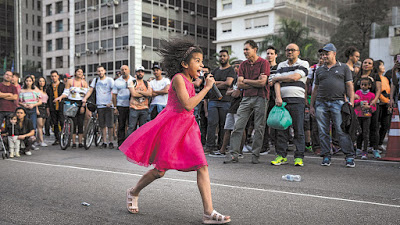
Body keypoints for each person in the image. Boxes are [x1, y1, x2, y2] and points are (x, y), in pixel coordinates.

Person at [120, 39, 230, 224]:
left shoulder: (190, 80)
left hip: (188, 127)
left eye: (202, 61)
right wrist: (208, 88)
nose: (201, 65)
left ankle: (208, 212)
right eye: (197, 61)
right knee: (160, 171)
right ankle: (133, 191)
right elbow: (187, 104)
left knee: (202, 166)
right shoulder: (178, 78)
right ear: (184, 64)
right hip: (172, 126)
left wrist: (203, 86)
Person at [224, 40, 270, 164]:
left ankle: (255, 156)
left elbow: (262, 83)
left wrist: (247, 81)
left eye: (247, 49)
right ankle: (234, 155)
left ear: (255, 49)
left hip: (261, 97)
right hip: (245, 98)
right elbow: (239, 84)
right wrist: (254, 82)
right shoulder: (243, 65)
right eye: (244, 49)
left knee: (259, 127)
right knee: (238, 126)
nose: (244, 52)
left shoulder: (264, 63)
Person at [310, 43, 356, 167]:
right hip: (321, 103)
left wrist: (351, 102)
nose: (324, 56)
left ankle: (349, 157)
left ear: (334, 53)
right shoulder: (319, 70)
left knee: (341, 130)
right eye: (322, 54)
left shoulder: (344, 68)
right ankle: (326, 156)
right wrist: (311, 106)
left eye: (327, 53)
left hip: (338, 102)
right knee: (323, 131)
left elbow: (349, 85)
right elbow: (315, 89)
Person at [269, 43, 309, 167]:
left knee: (298, 129)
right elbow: (276, 83)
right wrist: (278, 97)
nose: (289, 52)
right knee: (281, 129)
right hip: (282, 101)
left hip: (297, 101)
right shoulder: (281, 65)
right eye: (287, 50)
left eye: (292, 50)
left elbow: (295, 77)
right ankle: (281, 156)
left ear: (298, 52)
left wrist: (278, 78)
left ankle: (298, 157)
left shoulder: (303, 64)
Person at [210, 60, 245, 157]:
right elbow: (228, 92)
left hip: (241, 106)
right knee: (228, 128)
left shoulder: (245, 78)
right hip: (232, 105)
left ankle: (239, 152)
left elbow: (239, 92)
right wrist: (234, 91)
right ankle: (222, 150)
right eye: (235, 67)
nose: (236, 69)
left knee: (240, 129)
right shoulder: (235, 80)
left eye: (238, 66)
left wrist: (236, 91)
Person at [206, 50, 235, 154]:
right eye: (220, 56)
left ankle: (222, 146)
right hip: (213, 100)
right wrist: (217, 83)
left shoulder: (231, 70)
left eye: (224, 56)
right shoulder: (215, 71)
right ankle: (210, 146)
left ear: (228, 57)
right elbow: (209, 82)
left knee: (224, 125)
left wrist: (214, 84)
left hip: (225, 100)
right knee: (212, 123)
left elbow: (228, 83)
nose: (222, 58)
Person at [354, 58, 382, 157]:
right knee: (360, 129)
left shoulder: (375, 76)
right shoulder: (357, 76)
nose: (366, 64)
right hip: (359, 107)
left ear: (372, 66)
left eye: (369, 63)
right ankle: (358, 148)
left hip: (372, 105)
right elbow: (352, 88)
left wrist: (374, 102)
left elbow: (379, 90)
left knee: (374, 127)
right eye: (365, 62)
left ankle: (375, 148)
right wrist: (355, 96)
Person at [54, 68, 88, 148]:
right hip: (72, 103)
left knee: (80, 122)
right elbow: (66, 93)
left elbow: (86, 95)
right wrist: (60, 97)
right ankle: (73, 142)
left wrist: (83, 105)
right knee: (73, 122)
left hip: (81, 103)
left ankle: (80, 142)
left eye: (81, 72)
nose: (80, 73)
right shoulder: (70, 81)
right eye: (78, 71)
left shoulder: (84, 83)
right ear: (75, 73)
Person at [83, 65, 115, 149]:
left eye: (101, 70)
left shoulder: (109, 80)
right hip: (99, 105)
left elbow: (114, 92)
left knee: (110, 125)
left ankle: (110, 141)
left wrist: (111, 102)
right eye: (98, 71)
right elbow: (90, 90)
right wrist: (85, 98)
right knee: (102, 125)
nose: (100, 72)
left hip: (108, 105)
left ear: (104, 71)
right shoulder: (95, 80)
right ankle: (104, 142)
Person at [262, 46, 279, 154]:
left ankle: (278, 146)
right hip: (264, 98)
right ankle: (264, 146)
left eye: (271, 53)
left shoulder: (279, 67)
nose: (269, 55)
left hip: (275, 98)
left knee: (276, 123)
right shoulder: (263, 68)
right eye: (268, 53)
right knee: (262, 123)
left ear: (275, 55)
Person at [306, 54, 324, 155]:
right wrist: (306, 99)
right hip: (316, 98)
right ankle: (316, 146)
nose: (322, 59)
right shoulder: (313, 69)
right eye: (320, 57)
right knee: (315, 124)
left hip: (328, 98)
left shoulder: (332, 68)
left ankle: (329, 145)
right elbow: (307, 83)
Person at [112, 65, 135, 147]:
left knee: (131, 125)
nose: (124, 71)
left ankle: (130, 143)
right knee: (121, 125)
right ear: (120, 71)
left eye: (125, 69)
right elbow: (114, 95)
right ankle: (120, 143)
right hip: (121, 106)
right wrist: (115, 107)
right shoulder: (117, 81)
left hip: (131, 106)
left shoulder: (134, 80)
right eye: (122, 69)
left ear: (129, 70)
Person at [354, 77, 377, 159]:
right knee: (358, 133)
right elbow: (353, 102)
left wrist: (369, 107)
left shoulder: (372, 95)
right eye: (362, 84)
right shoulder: (357, 93)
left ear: (370, 86)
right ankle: (358, 149)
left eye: (365, 85)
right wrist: (359, 102)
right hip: (358, 116)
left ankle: (365, 151)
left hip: (367, 117)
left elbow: (374, 108)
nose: (363, 86)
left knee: (366, 133)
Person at [126, 66, 152, 135]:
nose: (140, 73)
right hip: (134, 108)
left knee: (143, 128)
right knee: (131, 127)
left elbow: (150, 94)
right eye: (138, 72)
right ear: (136, 73)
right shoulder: (132, 82)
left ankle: (142, 145)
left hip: (144, 108)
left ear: (144, 73)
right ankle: (128, 145)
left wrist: (139, 92)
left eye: (142, 72)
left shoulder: (147, 83)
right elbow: (134, 94)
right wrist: (144, 94)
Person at [374, 60, 391, 152]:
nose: (383, 67)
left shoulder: (385, 78)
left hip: (386, 104)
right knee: (376, 125)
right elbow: (378, 91)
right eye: (381, 65)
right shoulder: (376, 77)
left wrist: (389, 100)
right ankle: (374, 144)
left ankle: (380, 143)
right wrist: (386, 100)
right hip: (379, 103)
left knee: (385, 125)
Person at [46, 70, 65, 145]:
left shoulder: (62, 85)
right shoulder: (49, 87)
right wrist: (47, 108)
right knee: (55, 123)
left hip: (61, 107)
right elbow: (48, 98)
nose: (54, 78)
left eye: (55, 76)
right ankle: (57, 138)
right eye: (52, 76)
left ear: (58, 76)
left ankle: (63, 137)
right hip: (52, 107)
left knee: (62, 122)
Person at [193, 66, 209, 146]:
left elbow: (197, 83)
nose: (204, 73)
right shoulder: (197, 77)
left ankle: (202, 141)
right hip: (197, 101)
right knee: (198, 121)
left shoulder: (206, 79)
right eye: (203, 71)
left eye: (206, 71)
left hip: (204, 101)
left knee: (202, 122)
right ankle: (199, 141)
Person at [36, 77, 49, 147]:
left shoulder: (45, 90)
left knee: (41, 126)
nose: (41, 83)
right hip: (39, 107)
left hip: (45, 108)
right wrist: (37, 109)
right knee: (39, 125)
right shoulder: (36, 90)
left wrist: (47, 110)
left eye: (43, 81)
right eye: (40, 81)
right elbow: (35, 100)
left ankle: (38, 140)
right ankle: (41, 141)